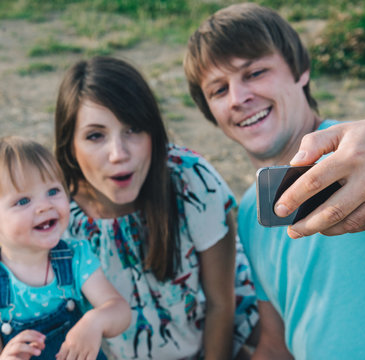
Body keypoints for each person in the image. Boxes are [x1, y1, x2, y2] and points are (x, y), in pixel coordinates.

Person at [184, 3, 365, 359]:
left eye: (254, 73)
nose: (238, 98)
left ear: (301, 71)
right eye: (218, 90)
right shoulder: (252, 211)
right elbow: (275, 342)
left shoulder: (360, 156)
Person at [54, 56, 259, 360]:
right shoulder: (54, 211)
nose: (118, 154)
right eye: (95, 135)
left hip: (215, 331)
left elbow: (220, 303)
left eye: (133, 129)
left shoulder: (191, 181)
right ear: (70, 144)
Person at [0, 136, 131, 360]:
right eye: (23, 201)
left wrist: (95, 321)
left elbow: (120, 311)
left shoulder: (75, 257)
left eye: (53, 191)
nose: (45, 205)